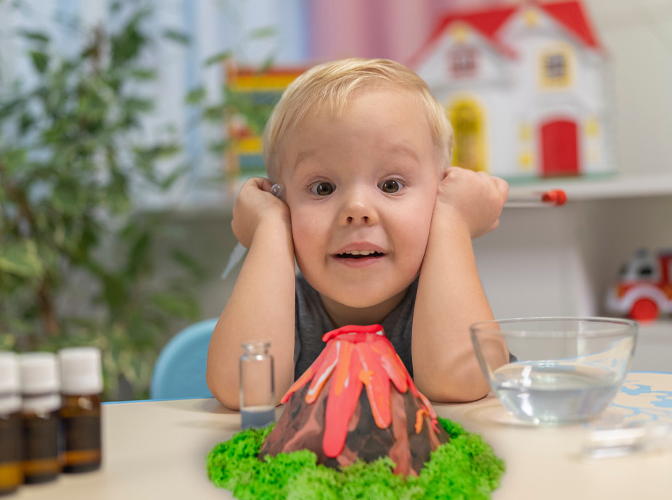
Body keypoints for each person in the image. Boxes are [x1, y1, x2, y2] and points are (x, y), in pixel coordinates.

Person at [207, 58, 509, 410]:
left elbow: (459, 383)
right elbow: (241, 392)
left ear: (439, 194)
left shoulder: (446, 304)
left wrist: (453, 218)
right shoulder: (277, 308)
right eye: (322, 188)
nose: (357, 209)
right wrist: (271, 227)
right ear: (282, 201)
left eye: (391, 185)